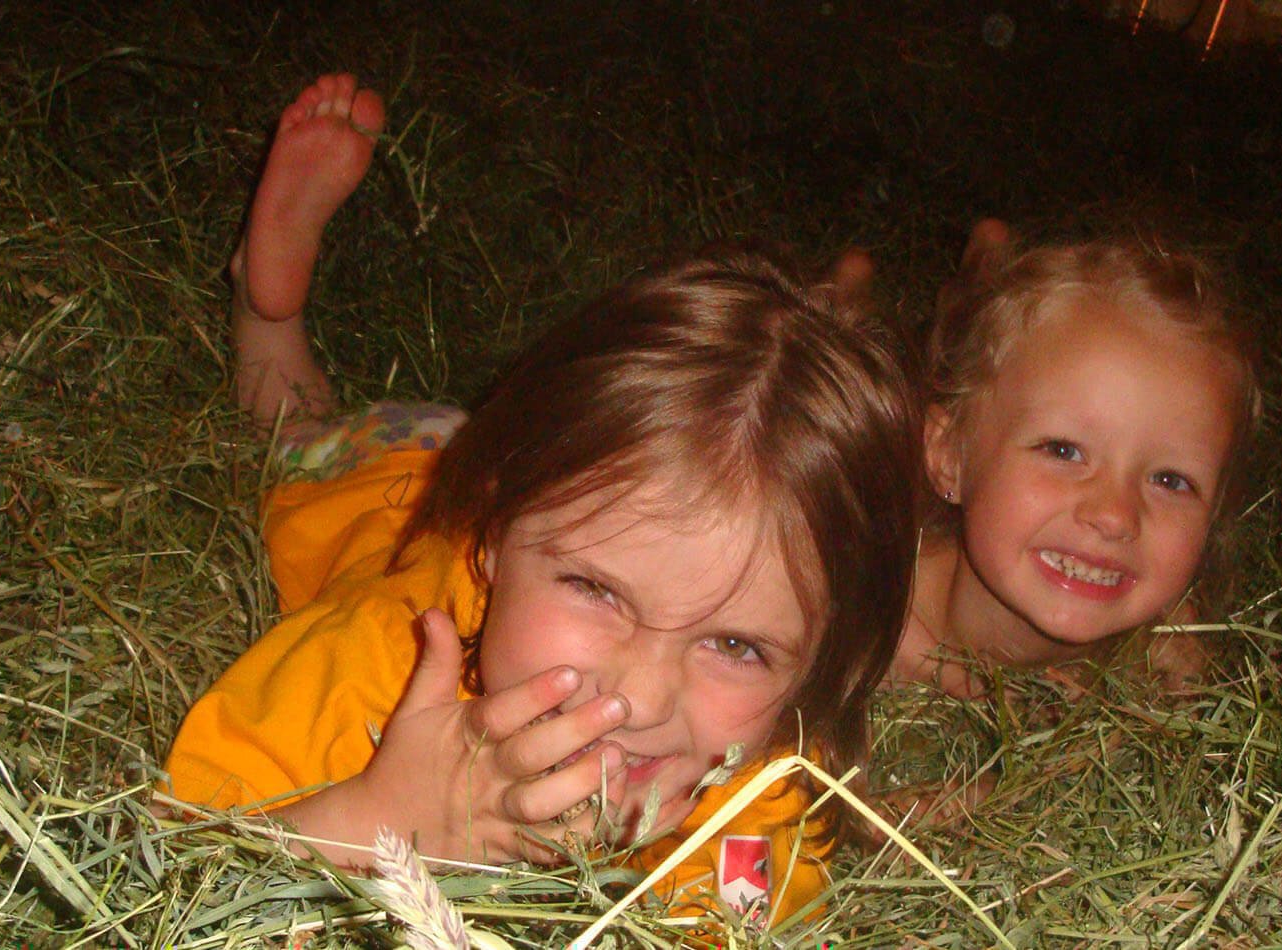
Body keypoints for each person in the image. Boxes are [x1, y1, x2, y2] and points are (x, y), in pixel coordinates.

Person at [163, 73, 922, 926]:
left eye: (737, 645)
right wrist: (370, 820)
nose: (639, 699)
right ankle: (269, 309)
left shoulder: (759, 793)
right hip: (390, 485)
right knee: (297, 433)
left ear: (822, 661)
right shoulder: (370, 669)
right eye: (596, 590)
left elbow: (741, 919)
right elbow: (166, 877)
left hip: (532, 465)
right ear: (491, 540)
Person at [886, 222, 1262, 697]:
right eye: (1063, 451)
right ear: (948, 457)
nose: (1115, 516)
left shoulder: (1164, 654)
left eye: (1170, 481)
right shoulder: (867, 611)